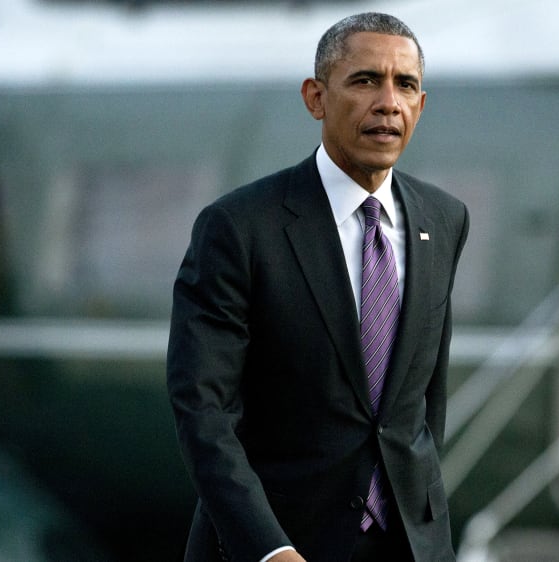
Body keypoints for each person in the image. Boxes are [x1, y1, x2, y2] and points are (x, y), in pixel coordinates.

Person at [166, 12, 468, 562]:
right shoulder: (239, 227)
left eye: (405, 85)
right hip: (276, 546)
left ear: (421, 106)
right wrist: (270, 549)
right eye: (365, 80)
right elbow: (204, 411)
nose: (388, 103)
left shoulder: (444, 219)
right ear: (316, 98)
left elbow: (425, 402)